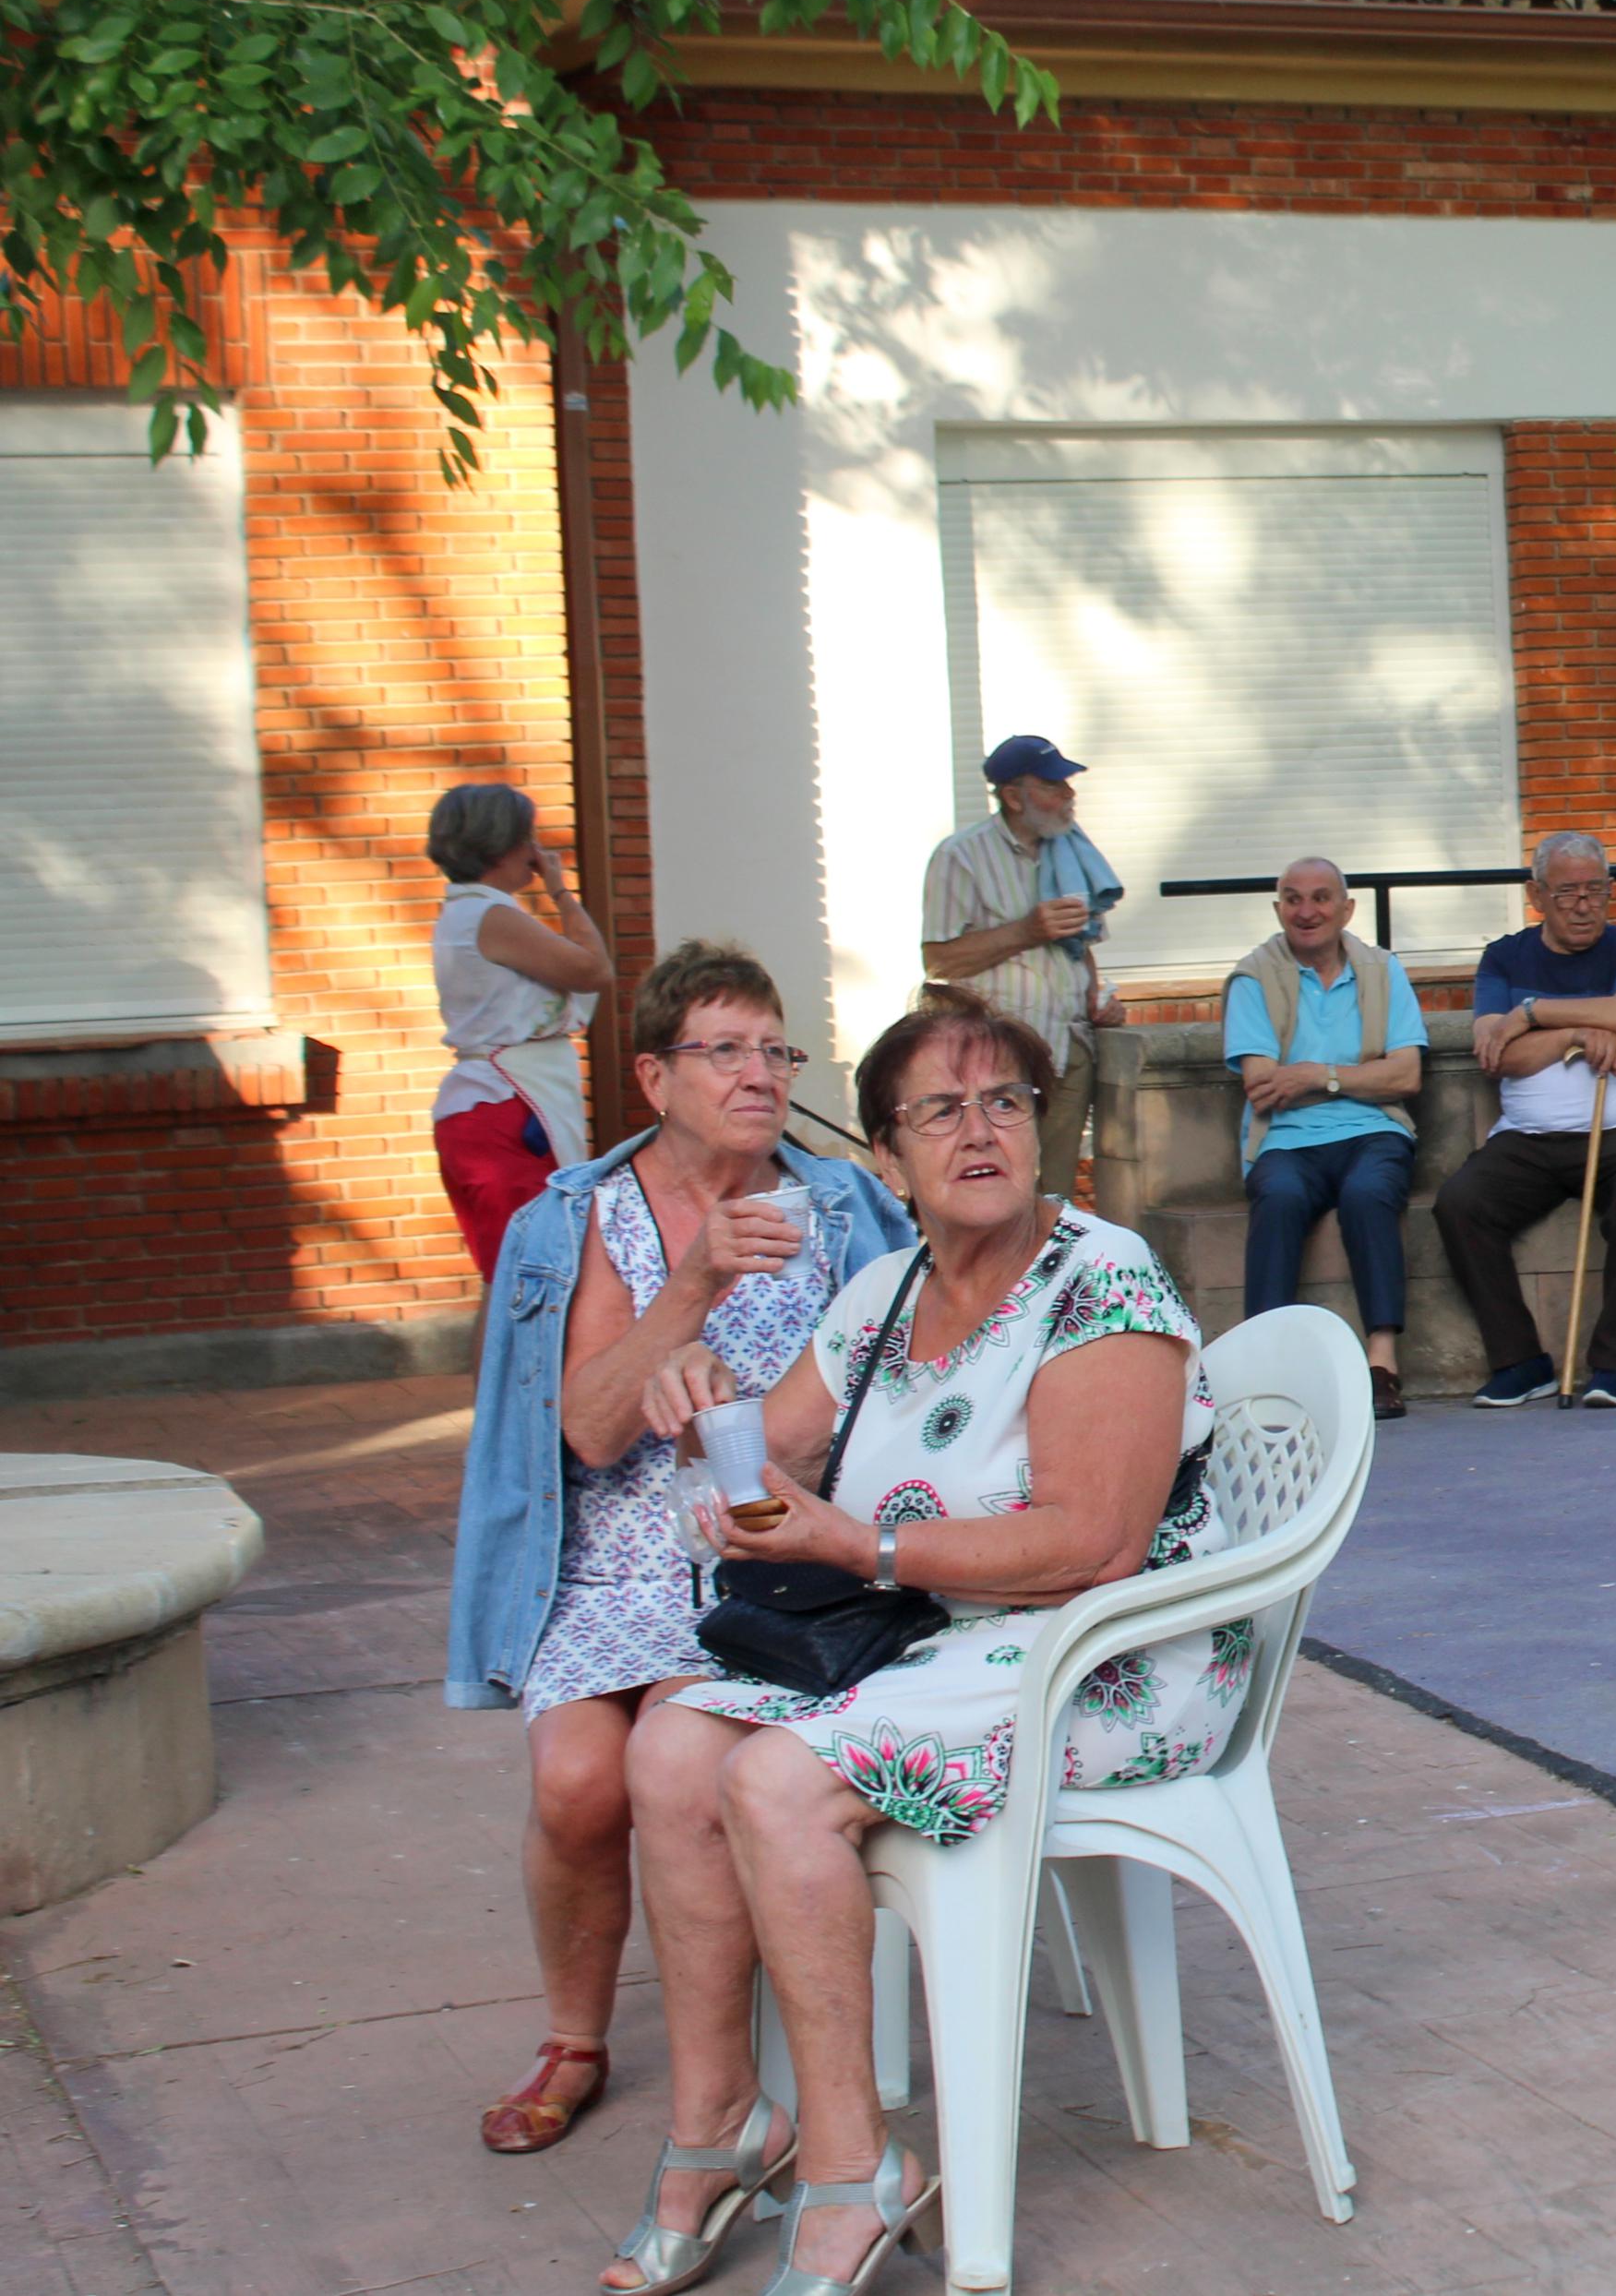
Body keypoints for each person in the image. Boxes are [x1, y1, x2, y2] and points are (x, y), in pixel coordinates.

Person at [611, 987, 1236, 2296]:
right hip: (932, 1637)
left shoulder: (1102, 1281)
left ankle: (854, 2173)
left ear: (1039, 1128)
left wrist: (861, 1546)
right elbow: (771, 1457)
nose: (977, 1128)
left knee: (772, 1780)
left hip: (1097, 1656)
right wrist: (697, 1406)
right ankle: (723, 2122)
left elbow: (1093, 1544)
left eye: (1001, 1097)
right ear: (884, 1160)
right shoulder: (887, 1287)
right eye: (938, 1108)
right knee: (671, 1744)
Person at [443, 941, 912, 2160]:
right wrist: (689, 1290)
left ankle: (730, 2066)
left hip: (769, 1559)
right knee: (572, 1779)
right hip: (610, 1559)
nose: (758, 1072)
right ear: (653, 1074)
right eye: (725, 1048)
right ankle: (574, 2034)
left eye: (774, 1048)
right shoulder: (588, 1214)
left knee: (670, 1746)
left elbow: (894, 1400)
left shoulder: (842, 1208)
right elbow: (590, 1431)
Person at [1431, 833, 1616, 1407]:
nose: (1583, 904)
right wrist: (1573, 1034)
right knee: (1460, 1203)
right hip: (1527, 1140)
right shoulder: (1505, 956)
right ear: (1537, 894)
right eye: (1567, 892)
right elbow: (1496, 1052)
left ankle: (1615, 1367)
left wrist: (1532, 1013)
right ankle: (1521, 1363)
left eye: (1596, 890)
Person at [1223, 857, 1425, 1423]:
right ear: (1277, 909)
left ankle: (1381, 1363)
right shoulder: (1252, 977)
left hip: (1376, 1129)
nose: (1306, 911)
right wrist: (1363, 1075)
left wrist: (1316, 1076)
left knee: (1368, 1195)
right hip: (1283, 1140)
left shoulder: (1383, 970)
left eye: (1320, 898)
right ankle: (1266, 1369)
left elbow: (1406, 1076)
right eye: (1292, 899)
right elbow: (1263, 1087)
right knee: (1281, 1198)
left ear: (1346, 908)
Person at [922, 734, 1126, 1202]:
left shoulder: (1069, 850)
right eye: (1055, 786)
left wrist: (1098, 998)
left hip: (1069, 1047)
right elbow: (939, 959)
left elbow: (1080, 944)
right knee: (1002, 1187)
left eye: (1068, 785)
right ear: (1014, 797)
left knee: (1054, 1192)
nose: (1069, 796)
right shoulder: (960, 856)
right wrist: (1026, 930)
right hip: (997, 1053)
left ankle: (1048, 1274)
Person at [426, 782, 614, 1275]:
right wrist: (559, 889)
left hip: (484, 1107)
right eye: (528, 837)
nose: (536, 849)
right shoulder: (491, 914)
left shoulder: (462, 911)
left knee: (507, 1282)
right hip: (509, 1111)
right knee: (530, 1281)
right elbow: (595, 969)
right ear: (505, 845)